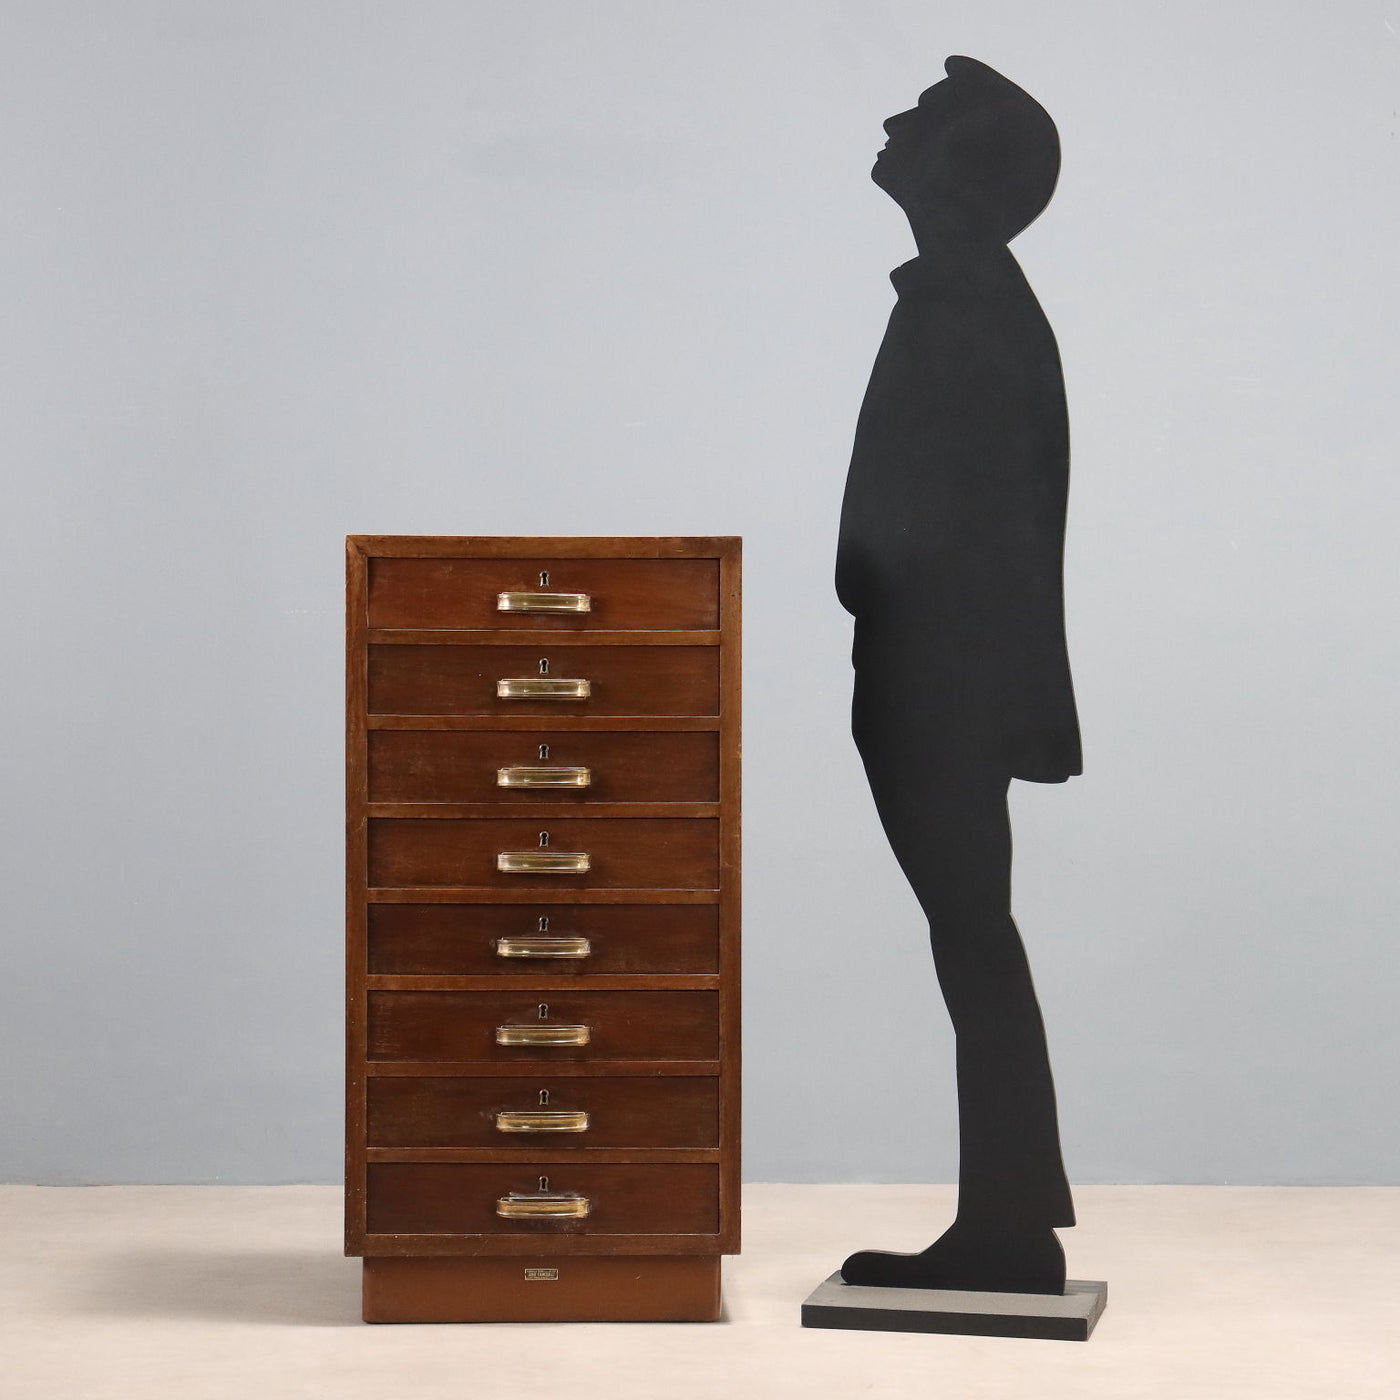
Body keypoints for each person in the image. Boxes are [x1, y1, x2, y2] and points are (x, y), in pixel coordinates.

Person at [835, 55, 1080, 1295]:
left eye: (924, 117)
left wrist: (880, 596)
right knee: (973, 935)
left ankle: (1008, 1223)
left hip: (942, 676)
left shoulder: (965, 304)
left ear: (960, 168)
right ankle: (1008, 1214)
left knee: (972, 937)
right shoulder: (969, 296)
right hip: (942, 670)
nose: (894, 120)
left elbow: (968, 518)